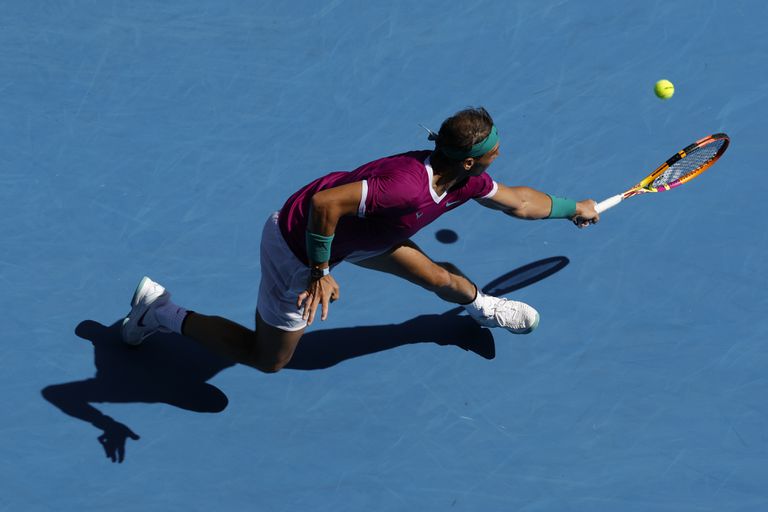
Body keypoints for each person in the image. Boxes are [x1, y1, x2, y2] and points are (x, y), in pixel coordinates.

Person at [120, 107, 599, 373]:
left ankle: (484, 307)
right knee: (267, 359)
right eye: (495, 148)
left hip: (365, 236)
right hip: (298, 245)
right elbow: (324, 206)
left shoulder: (464, 180)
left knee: (435, 275)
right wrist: (319, 271)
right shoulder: (407, 186)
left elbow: (517, 201)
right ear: (470, 161)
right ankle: (159, 311)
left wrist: (573, 208)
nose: (501, 151)